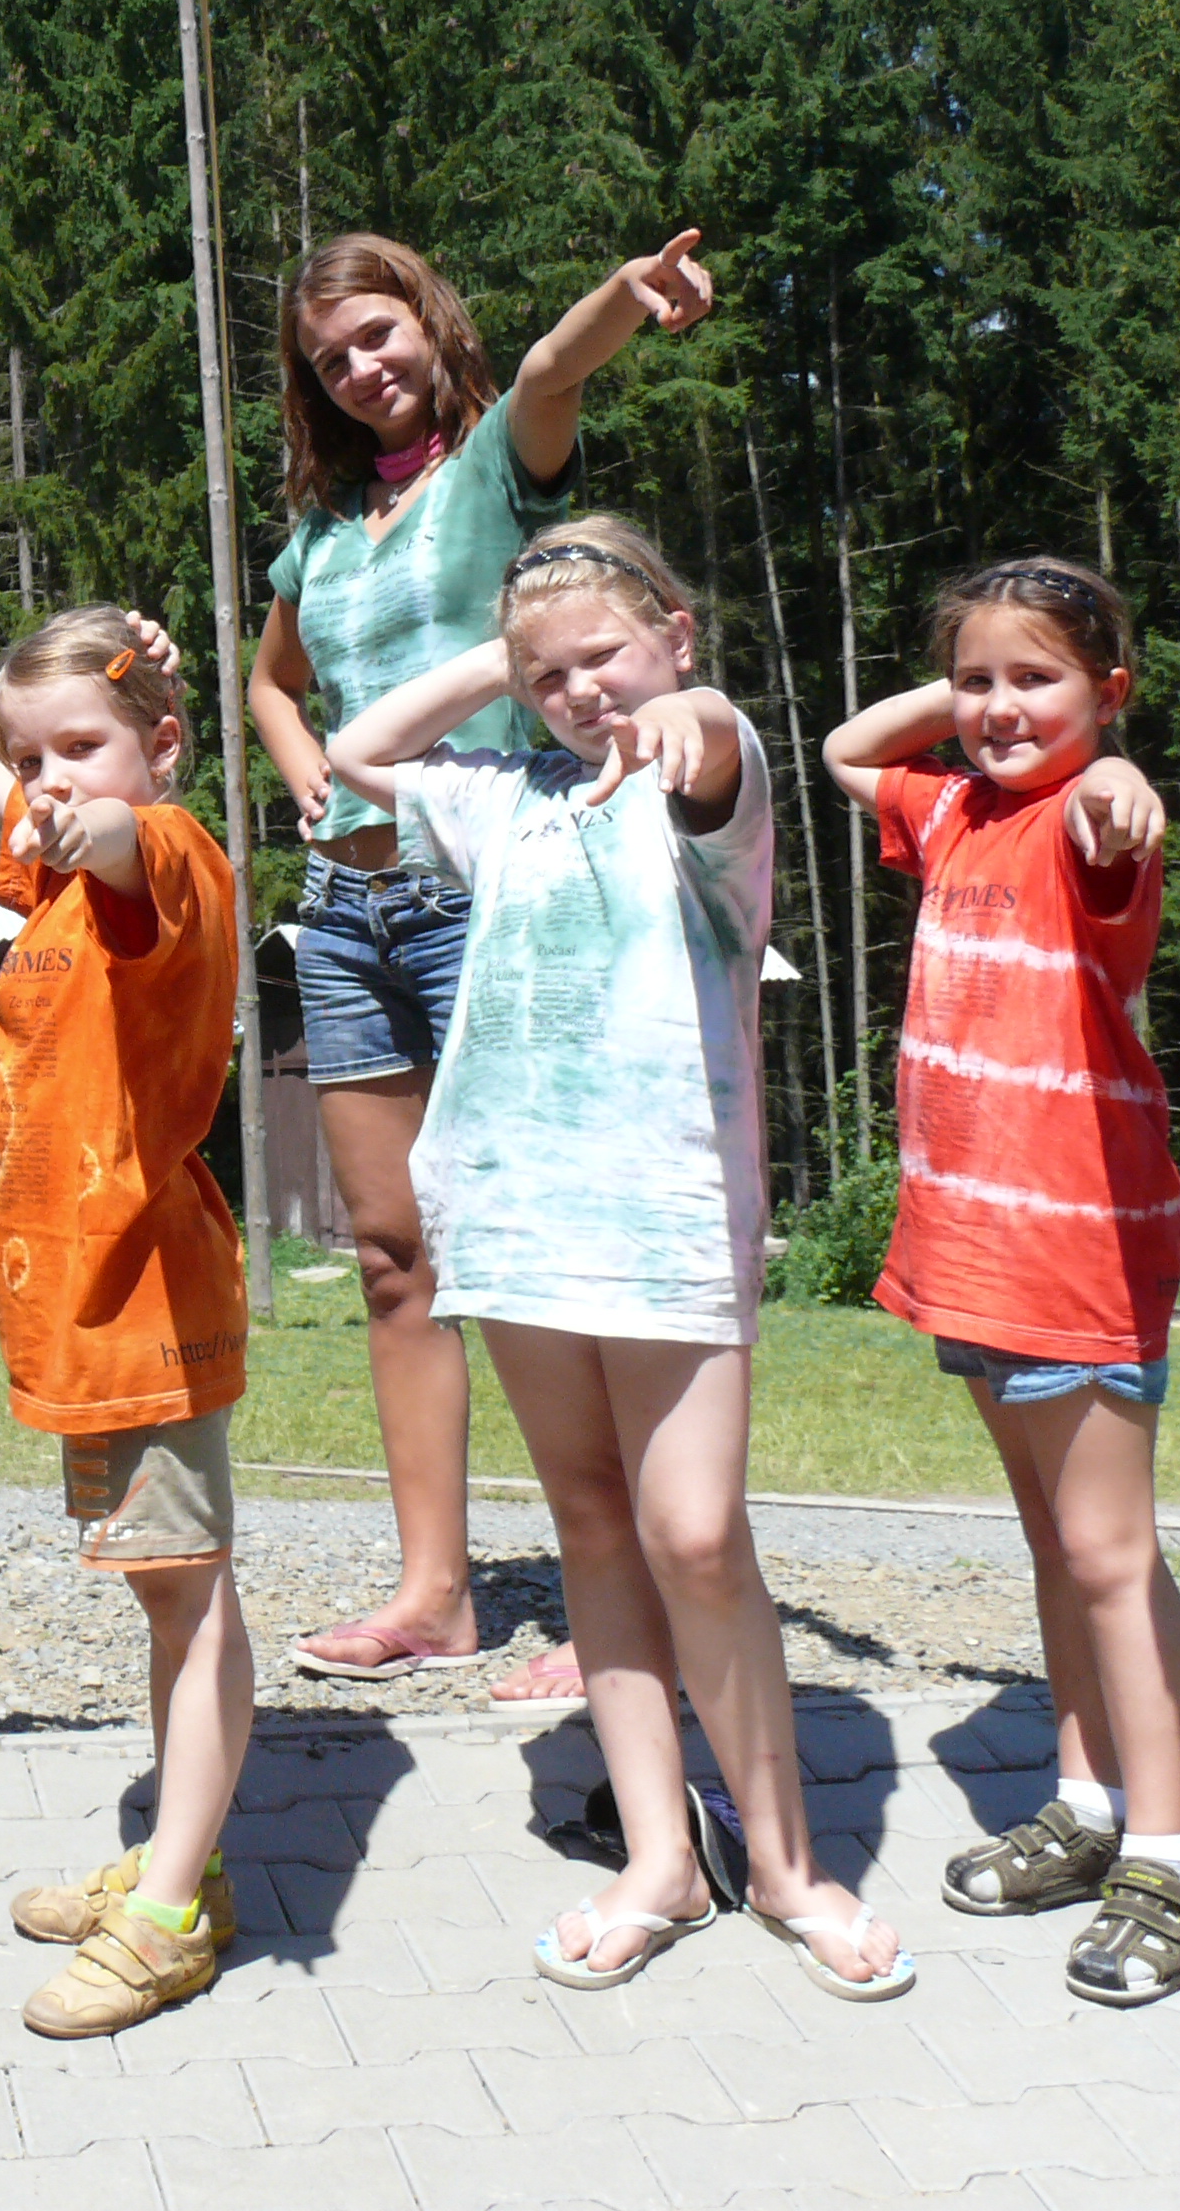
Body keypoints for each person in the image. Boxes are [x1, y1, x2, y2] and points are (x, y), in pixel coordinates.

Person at [327, 516, 909, 2001]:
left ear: (677, 636)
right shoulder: (500, 798)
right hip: (513, 1209)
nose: (581, 690)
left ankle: (791, 1867)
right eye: (551, 677)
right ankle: (663, 1857)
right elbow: (353, 753)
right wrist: (507, 654)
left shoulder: (711, 778)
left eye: (608, 656)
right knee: (592, 1523)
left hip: (664, 1211)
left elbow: (708, 740)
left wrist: (669, 705)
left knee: (696, 1536)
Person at [245, 231, 713, 1698]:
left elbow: (553, 369)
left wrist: (625, 299)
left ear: (427, 322)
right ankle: (436, 1593)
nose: (361, 369)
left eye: (377, 334)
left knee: (558, 1241)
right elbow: (271, 678)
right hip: (346, 911)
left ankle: (621, 1606)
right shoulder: (322, 534)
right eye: (330, 359)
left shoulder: (502, 465)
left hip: (496, 891)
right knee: (396, 1257)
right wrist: (304, 770)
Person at [823, 557, 1180, 2005]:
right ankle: (1088, 1803)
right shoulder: (955, 813)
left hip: (1078, 1249)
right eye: (975, 679)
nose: (996, 707)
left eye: (1034, 678)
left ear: (1111, 693)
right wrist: (984, 696)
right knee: (1055, 1547)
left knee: (1112, 1555)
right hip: (971, 1248)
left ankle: (1169, 1861)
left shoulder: (1089, 820)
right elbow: (847, 749)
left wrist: (1103, 763)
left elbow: (1113, 817)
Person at [0, 611, 256, 2038]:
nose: (48, 780)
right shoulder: (56, 864)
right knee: (165, 1594)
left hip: (147, 1302)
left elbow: (124, 837)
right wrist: (97, 686)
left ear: (166, 749)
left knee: (192, 1599)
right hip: (85, 1309)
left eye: (83, 747)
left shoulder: (164, 852)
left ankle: (173, 1912)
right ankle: (184, 1855)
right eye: (33, 760)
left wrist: (103, 778)